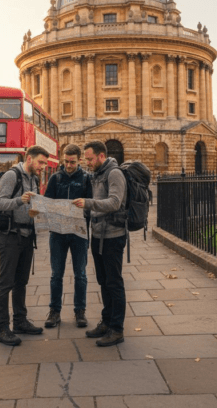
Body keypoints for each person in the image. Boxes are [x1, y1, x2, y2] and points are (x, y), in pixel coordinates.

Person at [72, 141, 127, 347]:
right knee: (103, 281)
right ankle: (107, 321)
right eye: (85, 159)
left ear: (101, 156)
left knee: (114, 282)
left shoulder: (114, 173)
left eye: (89, 158)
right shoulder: (96, 174)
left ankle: (117, 329)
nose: (87, 163)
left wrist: (88, 203)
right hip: (97, 234)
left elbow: (115, 202)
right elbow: (94, 204)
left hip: (113, 235)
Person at [0, 146, 49, 346]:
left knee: (21, 282)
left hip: (27, 235)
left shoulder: (34, 178)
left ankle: (20, 321)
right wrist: (19, 200)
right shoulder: (11, 176)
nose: (43, 167)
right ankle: (2, 329)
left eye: (44, 163)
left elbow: (30, 206)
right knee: (5, 283)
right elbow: (0, 203)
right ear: (29, 159)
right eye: (40, 162)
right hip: (10, 236)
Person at [43, 144, 92, 329]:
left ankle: (80, 311)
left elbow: (91, 205)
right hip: (57, 232)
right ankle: (54, 312)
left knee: (80, 274)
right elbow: (47, 202)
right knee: (56, 274)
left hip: (79, 232)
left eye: (72, 162)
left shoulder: (87, 179)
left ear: (79, 160)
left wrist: (84, 206)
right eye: (66, 162)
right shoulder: (55, 178)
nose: (68, 166)